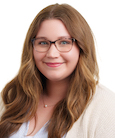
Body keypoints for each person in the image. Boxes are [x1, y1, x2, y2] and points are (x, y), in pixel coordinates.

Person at [0, 3, 115, 138]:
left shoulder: (106, 108)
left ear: (82, 48)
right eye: (43, 43)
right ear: (31, 48)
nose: (52, 54)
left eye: (64, 42)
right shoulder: (12, 96)